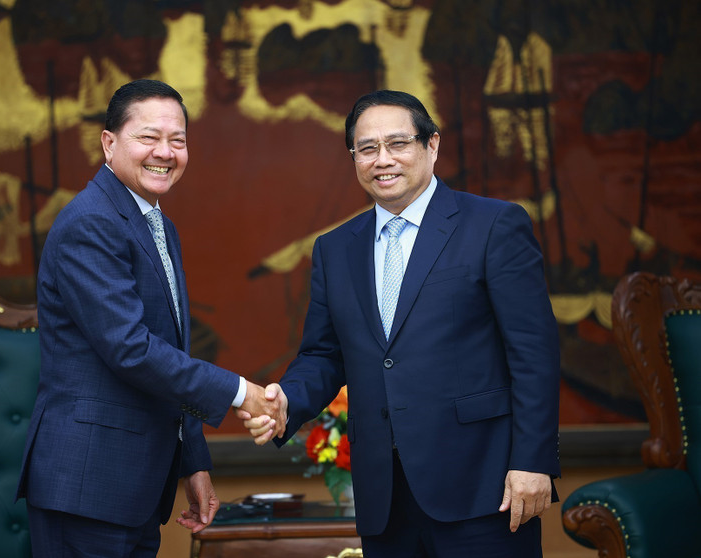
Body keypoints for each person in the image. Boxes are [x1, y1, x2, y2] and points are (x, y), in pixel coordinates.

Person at [239, 89, 560, 558]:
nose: (382, 160)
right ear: (354, 158)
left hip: (484, 487)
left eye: (398, 144)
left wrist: (533, 462)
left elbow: (534, 352)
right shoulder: (336, 248)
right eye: (367, 149)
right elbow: (324, 354)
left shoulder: (493, 225)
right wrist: (286, 402)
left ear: (432, 145)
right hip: (384, 496)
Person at [16, 79, 285, 557]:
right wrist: (243, 392)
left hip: (134, 487)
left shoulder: (155, 222)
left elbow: (170, 350)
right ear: (109, 142)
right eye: (148, 137)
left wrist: (193, 464)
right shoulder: (90, 222)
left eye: (177, 140)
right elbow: (132, 349)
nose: (165, 152)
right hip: (87, 486)